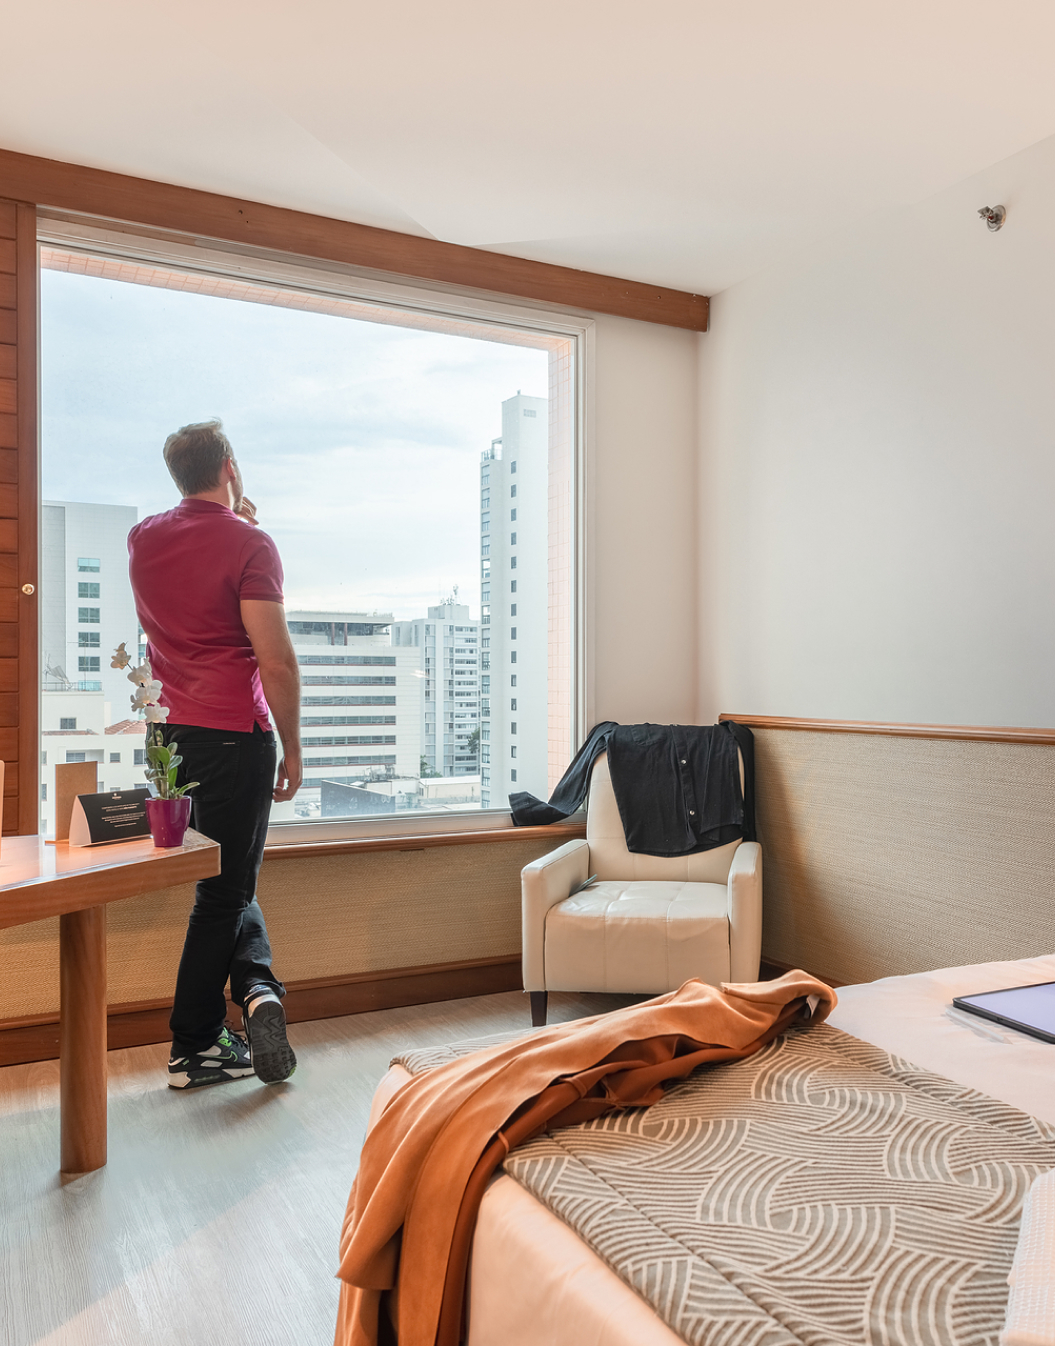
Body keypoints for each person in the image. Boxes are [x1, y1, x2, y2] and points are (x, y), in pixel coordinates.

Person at [128, 419, 302, 1089]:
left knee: (227, 884)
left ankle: (258, 997)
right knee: (224, 896)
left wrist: (233, 518)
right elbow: (276, 660)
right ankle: (195, 1046)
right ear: (230, 465)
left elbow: (188, 575)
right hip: (233, 733)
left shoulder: (143, 537)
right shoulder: (250, 544)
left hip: (169, 738)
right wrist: (293, 747)